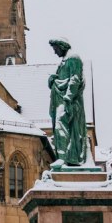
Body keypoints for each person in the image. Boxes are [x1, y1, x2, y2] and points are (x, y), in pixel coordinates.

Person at [47, 37, 88, 168]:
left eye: (55, 49)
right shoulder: (63, 62)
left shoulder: (73, 59)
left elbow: (75, 80)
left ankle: (64, 158)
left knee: (61, 127)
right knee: (59, 127)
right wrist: (52, 79)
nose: (55, 52)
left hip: (69, 102)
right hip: (61, 101)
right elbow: (62, 80)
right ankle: (64, 157)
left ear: (62, 46)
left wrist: (68, 98)